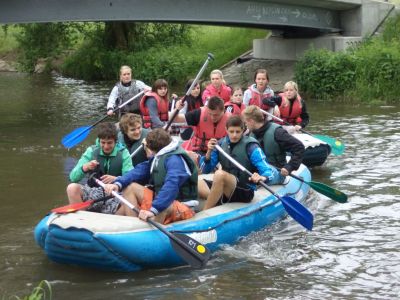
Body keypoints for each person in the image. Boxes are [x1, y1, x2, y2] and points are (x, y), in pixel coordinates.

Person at [102, 128, 198, 224]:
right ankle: (128, 225)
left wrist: (153, 210)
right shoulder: (159, 156)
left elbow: (171, 186)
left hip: (183, 207)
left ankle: (137, 229)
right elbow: (139, 171)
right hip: (166, 201)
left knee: (162, 207)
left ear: (151, 149)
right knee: (128, 188)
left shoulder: (175, 160)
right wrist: (118, 184)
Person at [198, 115, 283, 210]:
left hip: (245, 190)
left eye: (237, 132)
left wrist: (262, 177)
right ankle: (217, 198)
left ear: (243, 130)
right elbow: (205, 170)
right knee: (198, 184)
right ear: (226, 130)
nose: (234, 135)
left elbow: (267, 169)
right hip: (226, 186)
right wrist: (209, 152)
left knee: (219, 174)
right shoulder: (220, 144)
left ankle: (206, 211)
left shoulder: (251, 146)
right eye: (231, 131)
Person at [66, 122, 133, 213]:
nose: (106, 146)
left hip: (114, 194)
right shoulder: (91, 151)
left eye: (109, 143)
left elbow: (131, 178)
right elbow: (73, 178)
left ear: (115, 141)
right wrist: (85, 168)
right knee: (72, 188)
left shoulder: (123, 153)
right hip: (93, 192)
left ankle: (114, 222)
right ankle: (82, 220)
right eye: (103, 142)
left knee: (130, 197)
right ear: (99, 140)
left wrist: (117, 179)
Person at [242, 105, 305, 177]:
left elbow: (299, 147)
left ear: (251, 121)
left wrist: (289, 167)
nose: (245, 125)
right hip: (258, 172)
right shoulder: (250, 135)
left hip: (277, 172)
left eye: (246, 122)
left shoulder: (278, 132)